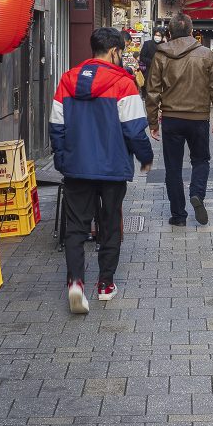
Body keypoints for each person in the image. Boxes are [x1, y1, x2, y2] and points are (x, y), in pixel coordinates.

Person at [50, 27, 153, 314]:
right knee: (109, 225)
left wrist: (62, 159)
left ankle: (75, 284)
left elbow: (56, 126)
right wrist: (145, 157)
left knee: (76, 228)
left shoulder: (68, 80)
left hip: (77, 168)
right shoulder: (123, 83)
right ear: (115, 52)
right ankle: (105, 284)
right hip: (111, 168)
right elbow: (134, 129)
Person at [145, 14, 213, 227]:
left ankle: (178, 215)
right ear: (192, 32)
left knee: (173, 167)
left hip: (171, 119)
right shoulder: (206, 54)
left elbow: (152, 92)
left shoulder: (161, 55)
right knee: (201, 160)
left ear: (169, 34)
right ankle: (196, 193)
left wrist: (153, 123)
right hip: (198, 118)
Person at [137, 27, 163, 97]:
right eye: (156, 35)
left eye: (159, 35)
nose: (157, 37)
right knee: (146, 88)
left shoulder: (163, 45)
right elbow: (142, 57)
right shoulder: (147, 44)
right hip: (148, 70)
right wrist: (152, 62)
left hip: (159, 72)